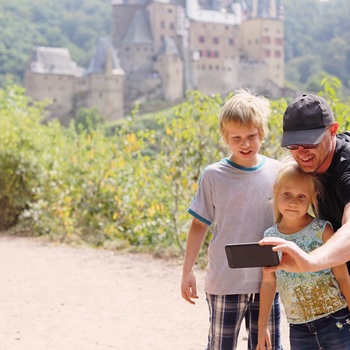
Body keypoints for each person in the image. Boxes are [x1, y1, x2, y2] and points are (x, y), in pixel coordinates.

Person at [180, 89, 282, 350]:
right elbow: (199, 224)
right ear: (226, 138)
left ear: (262, 132)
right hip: (225, 281)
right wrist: (187, 271)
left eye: (251, 136)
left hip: (268, 281)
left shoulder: (279, 172)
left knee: (268, 347)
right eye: (237, 138)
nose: (245, 144)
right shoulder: (213, 175)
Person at [257, 158, 350, 350]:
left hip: (335, 319)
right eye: (287, 194)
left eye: (301, 197)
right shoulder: (270, 236)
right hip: (298, 326)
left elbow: (342, 276)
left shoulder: (322, 230)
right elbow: (268, 283)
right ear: (276, 190)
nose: (293, 202)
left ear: (312, 197)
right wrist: (261, 326)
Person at [260, 93, 350, 273]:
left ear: (332, 131)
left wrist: (312, 261)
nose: (301, 152)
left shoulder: (346, 164)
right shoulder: (306, 165)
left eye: (310, 142)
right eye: (293, 144)